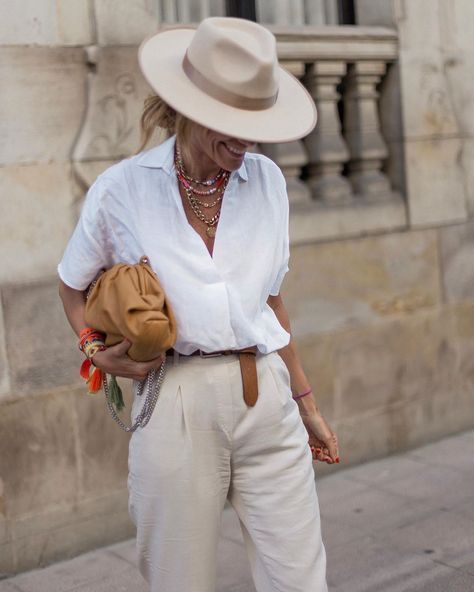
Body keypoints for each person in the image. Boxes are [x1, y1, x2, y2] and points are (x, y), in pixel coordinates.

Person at [58, 16, 339, 592]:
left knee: (301, 582)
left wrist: (306, 402)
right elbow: (71, 284)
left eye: (255, 124)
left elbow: (271, 303)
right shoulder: (123, 188)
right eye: (230, 124)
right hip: (176, 400)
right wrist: (95, 351)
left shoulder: (268, 183)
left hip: (268, 398)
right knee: (179, 580)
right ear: (187, 109)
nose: (248, 141)